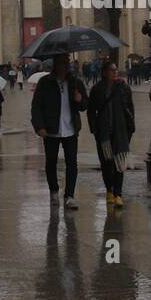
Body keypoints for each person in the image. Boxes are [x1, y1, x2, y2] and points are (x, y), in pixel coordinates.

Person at [31, 53, 87, 210]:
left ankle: (69, 195)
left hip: (70, 129)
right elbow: (36, 106)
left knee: (72, 163)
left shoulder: (75, 82)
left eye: (67, 62)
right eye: (63, 62)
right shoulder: (45, 82)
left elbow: (84, 105)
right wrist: (39, 126)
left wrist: (79, 100)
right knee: (51, 162)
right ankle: (54, 191)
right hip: (51, 129)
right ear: (55, 65)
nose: (66, 65)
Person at [88, 59, 135, 208]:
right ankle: (109, 189)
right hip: (103, 133)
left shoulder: (123, 88)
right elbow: (90, 111)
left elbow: (130, 108)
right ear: (104, 73)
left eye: (116, 69)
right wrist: (94, 129)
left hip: (120, 131)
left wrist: (130, 127)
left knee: (120, 163)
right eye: (112, 70)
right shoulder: (97, 89)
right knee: (106, 164)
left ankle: (118, 194)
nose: (115, 72)